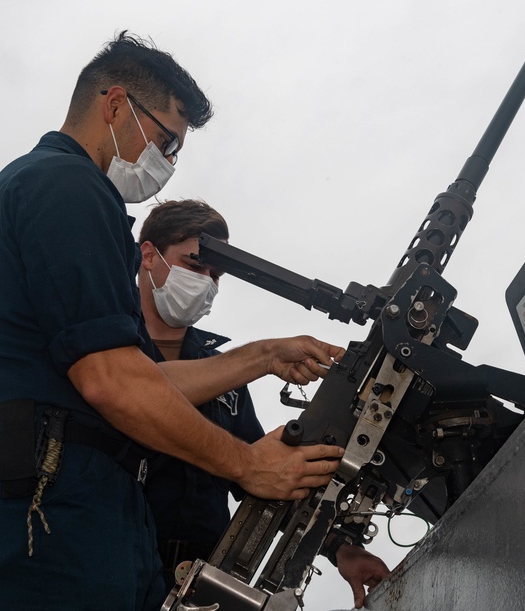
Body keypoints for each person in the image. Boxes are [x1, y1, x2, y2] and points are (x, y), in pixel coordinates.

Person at [0, 32, 346, 611]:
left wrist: (263, 356)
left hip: (78, 505)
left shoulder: (52, 190)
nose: (166, 164)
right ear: (116, 104)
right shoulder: (68, 186)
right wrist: (247, 463)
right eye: (166, 141)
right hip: (43, 506)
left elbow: (137, 378)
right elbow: (112, 383)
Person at [137, 199, 390, 608]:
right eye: (194, 265)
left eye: (216, 275)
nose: (206, 282)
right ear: (149, 256)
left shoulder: (225, 376)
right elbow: (138, 394)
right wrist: (264, 356)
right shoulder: (104, 354)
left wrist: (341, 548)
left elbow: (264, 476)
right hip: (113, 570)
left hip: (199, 584)